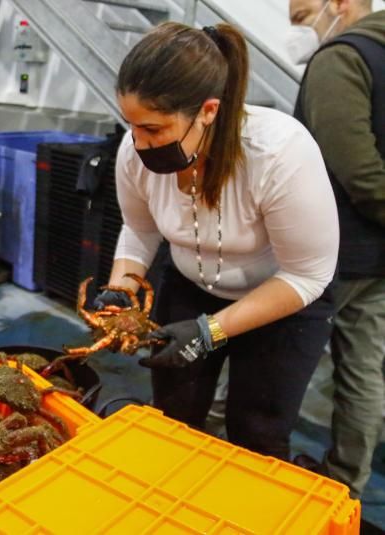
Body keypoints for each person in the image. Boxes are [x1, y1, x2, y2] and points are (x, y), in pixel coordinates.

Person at [95, 22, 338, 460]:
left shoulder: (278, 152)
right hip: (190, 287)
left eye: (154, 129)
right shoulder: (134, 153)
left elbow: (307, 274)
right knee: (174, 415)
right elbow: (140, 229)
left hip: (282, 303)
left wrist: (210, 332)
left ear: (208, 111)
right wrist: (121, 287)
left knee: (256, 431)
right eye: (131, 125)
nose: (138, 142)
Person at [287, 0, 385, 498]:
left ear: (341, 4)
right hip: (378, 256)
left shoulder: (343, 59)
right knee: (364, 367)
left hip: (336, 252)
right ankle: (348, 482)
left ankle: (248, 458)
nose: (302, 32)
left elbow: (360, 173)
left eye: (303, 17)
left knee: (276, 357)